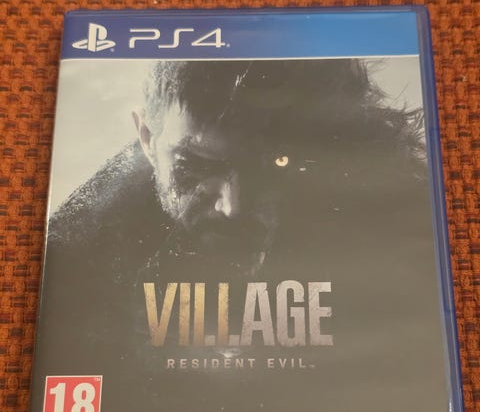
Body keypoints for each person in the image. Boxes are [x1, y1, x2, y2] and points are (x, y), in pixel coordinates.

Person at [39, 59, 424, 371]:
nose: (233, 206)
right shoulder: (81, 257)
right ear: (147, 139)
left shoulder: (386, 197)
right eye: (194, 165)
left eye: (274, 164)